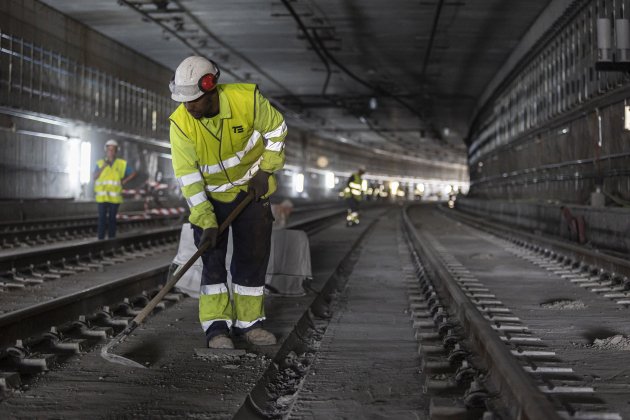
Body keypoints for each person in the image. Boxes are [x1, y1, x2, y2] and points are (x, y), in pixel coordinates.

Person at [168, 56, 288, 349]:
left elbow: (277, 131)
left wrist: (266, 170)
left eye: (195, 100)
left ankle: (250, 325)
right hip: (210, 197)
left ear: (211, 88)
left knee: (251, 258)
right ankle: (216, 329)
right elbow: (189, 177)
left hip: (251, 192)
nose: (189, 106)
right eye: (185, 101)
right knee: (212, 264)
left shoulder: (246, 101)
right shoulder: (181, 125)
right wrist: (206, 220)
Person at [93, 139, 137, 239]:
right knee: (102, 219)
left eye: (113, 150)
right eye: (109, 150)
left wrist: (124, 181)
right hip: (102, 197)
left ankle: (111, 239)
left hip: (114, 198)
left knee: (112, 219)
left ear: (116, 151)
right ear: (106, 150)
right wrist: (103, 167)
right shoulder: (100, 163)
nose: (111, 152)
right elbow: (94, 177)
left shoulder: (121, 164)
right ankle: (101, 239)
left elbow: (133, 173)